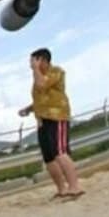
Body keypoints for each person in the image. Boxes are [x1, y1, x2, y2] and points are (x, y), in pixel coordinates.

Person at [18, 48, 84, 200]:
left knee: (60, 152)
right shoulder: (38, 77)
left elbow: (42, 85)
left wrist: (35, 69)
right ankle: (61, 189)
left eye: (33, 61)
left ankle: (75, 187)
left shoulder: (56, 71)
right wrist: (29, 109)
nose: (30, 65)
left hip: (57, 118)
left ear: (42, 60)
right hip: (42, 120)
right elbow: (41, 98)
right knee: (49, 157)